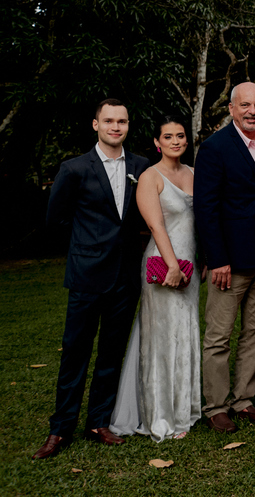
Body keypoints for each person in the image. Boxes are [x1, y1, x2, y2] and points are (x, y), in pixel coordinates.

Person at [34, 99, 150, 460]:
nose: (116, 127)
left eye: (122, 121)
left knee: (111, 353)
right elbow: (56, 220)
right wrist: (87, 246)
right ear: (96, 125)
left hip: (125, 277)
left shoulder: (141, 166)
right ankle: (60, 429)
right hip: (86, 275)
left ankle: (99, 422)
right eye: (109, 121)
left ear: (128, 126)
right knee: (75, 353)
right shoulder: (74, 169)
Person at [194, 82, 255, 432]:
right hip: (229, 261)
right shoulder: (214, 148)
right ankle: (216, 406)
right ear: (231, 109)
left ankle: (244, 400)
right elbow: (206, 208)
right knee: (219, 337)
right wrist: (217, 259)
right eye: (245, 105)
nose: (252, 111)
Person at [111, 117, 201, 441]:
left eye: (180, 136)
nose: (175, 141)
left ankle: (184, 411)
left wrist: (202, 261)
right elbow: (155, 225)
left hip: (191, 265)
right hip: (163, 264)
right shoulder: (150, 176)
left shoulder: (194, 173)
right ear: (157, 142)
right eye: (168, 136)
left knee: (185, 334)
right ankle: (160, 417)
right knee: (162, 338)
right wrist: (172, 265)